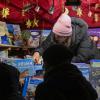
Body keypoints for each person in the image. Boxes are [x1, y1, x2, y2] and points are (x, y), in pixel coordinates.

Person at [33, 12, 100, 63]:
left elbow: (82, 58)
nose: (56, 38)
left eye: (59, 36)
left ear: (67, 36)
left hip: (92, 64)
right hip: (69, 63)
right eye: (56, 35)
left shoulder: (82, 34)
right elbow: (44, 46)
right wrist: (37, 52)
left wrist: (58, 60)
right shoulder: (55, 33)